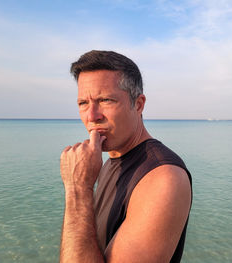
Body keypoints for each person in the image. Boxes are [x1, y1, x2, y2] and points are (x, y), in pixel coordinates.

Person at [60, 50, 192, 263]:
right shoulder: (111, 160)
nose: (92, 116)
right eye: (83, 103)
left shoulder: (163, 178)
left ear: (138, 104)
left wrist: (77, 188)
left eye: (105, 100)